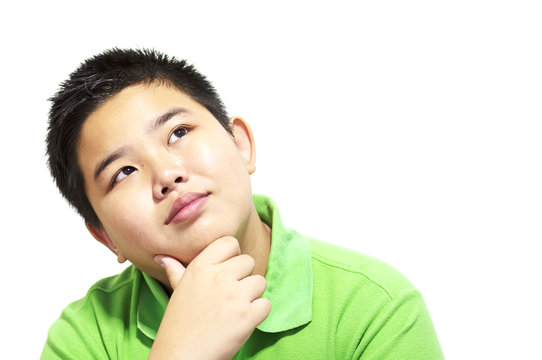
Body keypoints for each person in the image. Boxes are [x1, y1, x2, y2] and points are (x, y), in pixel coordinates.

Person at [41, 48, 444, 359]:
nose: (166, 176)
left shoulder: (375, 306)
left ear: (241, 145)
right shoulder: (84, 336)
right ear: (105, 236)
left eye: (178, 132)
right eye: (123, 172)